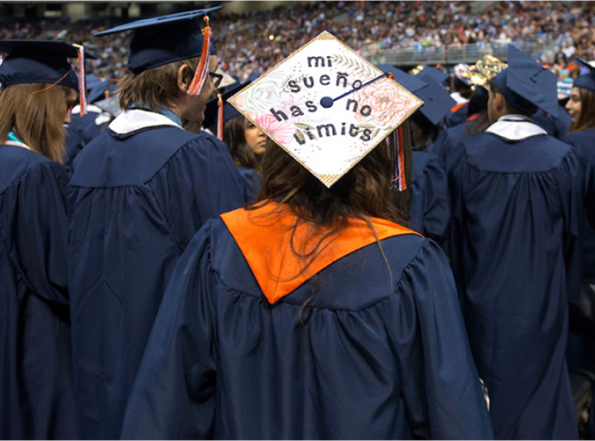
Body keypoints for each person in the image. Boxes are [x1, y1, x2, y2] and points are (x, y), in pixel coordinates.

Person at [120, 35, 493, 440]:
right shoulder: (406, 265)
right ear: (373, 156)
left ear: (278, 149)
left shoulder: (220, 248)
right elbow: (452, 416)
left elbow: (167, 403)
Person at [67, 8, 250, 440]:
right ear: (186, 75)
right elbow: (228, 278)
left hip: (95, 372)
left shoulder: (88, 158)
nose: (210, 93)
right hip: (168, 381)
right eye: (210, 80)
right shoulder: (194, 156)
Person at [448, 45, 583, 439]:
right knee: (541, 385)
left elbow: (454, 238)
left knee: (486, 387)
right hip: (543, 298)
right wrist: (563, 289)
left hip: (480, 296)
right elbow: (572, 235)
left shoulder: (464, 154)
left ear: (498, 100)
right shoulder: (563, 158)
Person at [0, 40, 80, 439]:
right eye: (65, 104)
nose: (69, 116)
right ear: (40, 100)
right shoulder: (33, 174)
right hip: (32, 340)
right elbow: (60, 275)